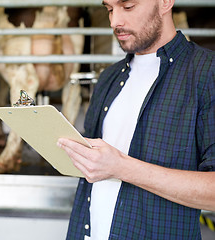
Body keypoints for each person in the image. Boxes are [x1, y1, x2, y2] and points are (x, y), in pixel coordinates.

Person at [56, 0, 215, 239]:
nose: (114, 21)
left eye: (128, 7)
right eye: (109, 9)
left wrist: (121, 167)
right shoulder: (109, 78)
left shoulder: (206, 73)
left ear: (165, 2)